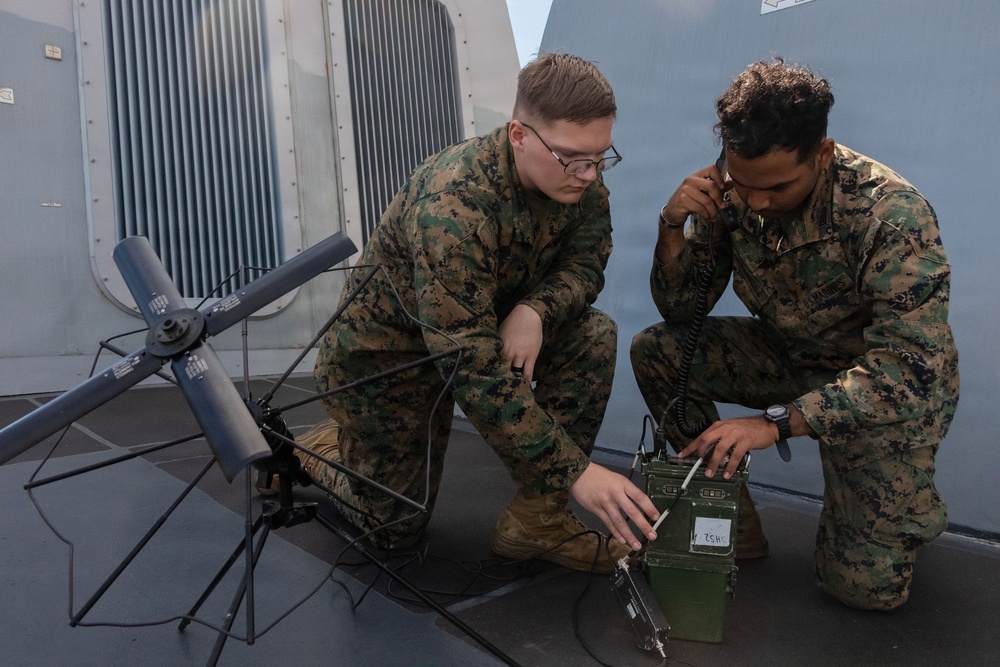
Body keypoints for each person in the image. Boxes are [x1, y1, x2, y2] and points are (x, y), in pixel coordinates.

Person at [282, 52, 659, 574]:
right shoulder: (454, 205)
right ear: (519, 135)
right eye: (574, 157)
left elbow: (586, 264)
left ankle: (537, 522)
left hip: (481, 335)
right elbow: (471, 365)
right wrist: (576, 472)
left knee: (593, 334)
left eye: (601, 156)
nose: (590, 174)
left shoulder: (579, 181)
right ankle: (315, 451)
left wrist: (535, 308)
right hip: (387, 363)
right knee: (393, 529)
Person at [630, 58, 958, 610]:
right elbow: (681, 310)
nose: (756, 203)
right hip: (791, 354)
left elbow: (908, 368)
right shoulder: (735, 186)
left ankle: (899, 512)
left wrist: (773, 423)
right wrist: (671, 227)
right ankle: (730, 517)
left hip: (879, 386)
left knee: (864, 592)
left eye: (777, 188)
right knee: (656, 350)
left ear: (822, 154)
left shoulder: (890, 216)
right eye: (744, 186)